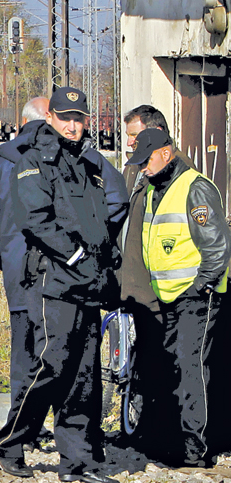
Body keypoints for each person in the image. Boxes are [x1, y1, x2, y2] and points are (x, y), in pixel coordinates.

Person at [0, 87, 127, 483]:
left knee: (84, 376)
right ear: (49, 117)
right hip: (53, 283)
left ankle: (77, 463)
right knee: (51, 367)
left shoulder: (88, 164)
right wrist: (74, 255)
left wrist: (104, 261)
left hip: (87, 282)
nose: (72, 126)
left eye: (79, 118)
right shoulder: (33, 161)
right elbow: (35, 219)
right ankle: (11, 443)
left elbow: (101, 219)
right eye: (65, 117)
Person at [124, 128, 230, 467]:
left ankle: (195, 448)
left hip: (197, 297)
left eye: (147, 161)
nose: (143, 169)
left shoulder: (194, 187)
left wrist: (200, 287)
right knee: (172, 368)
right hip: (168, 297)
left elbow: (216, 248)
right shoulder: (156, 189)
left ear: (166, 152)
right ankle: (173, 438)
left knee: (192, 369)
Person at [0, 97, 55, 459]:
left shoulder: (0, 162)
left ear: (21, 122)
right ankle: (69, 435)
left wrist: (6, 256)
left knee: (23, 352)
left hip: (20, 272)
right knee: (61, 349)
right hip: (60, 273)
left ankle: (22, 431)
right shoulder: (63, 157)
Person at [117, 105, 194, 454]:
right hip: (132, 283)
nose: (130, 143)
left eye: (134, 136)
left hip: (160, 286)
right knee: (142, 357)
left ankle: (160, 434)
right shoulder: (135, 170)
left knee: (161, 360)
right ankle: (141, 430)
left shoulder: (176, 173)